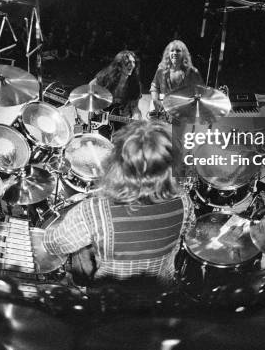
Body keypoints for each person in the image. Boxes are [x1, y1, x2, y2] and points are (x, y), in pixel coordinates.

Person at [42, 121, 194, 286]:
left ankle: (80, 282)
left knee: (81, 249)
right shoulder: (184, 201)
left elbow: (55, 245)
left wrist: (51, 230)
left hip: (110, 295)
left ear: (118, 163)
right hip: (159, 289)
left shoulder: (94, 210)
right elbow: (188, 232)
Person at [150, 40, 204, 115]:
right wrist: (156, 101)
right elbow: (154, 88)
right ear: (168, 54)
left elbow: (201, 91)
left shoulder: (193, 72)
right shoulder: (161, 70)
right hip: (164, 111)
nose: (174, 53)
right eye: (172, 51)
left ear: (184, 54)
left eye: (178, 51)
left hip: (185, 112)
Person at [92, 50, 142, 120]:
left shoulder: (135, 84)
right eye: (128, 62)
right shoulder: (105, 78)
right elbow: (90, 89)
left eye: (133, 62)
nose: (132, 65)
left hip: (123, 119)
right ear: (119, 66)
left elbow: (134, 107)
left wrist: (138, 119)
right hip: (103, 119)